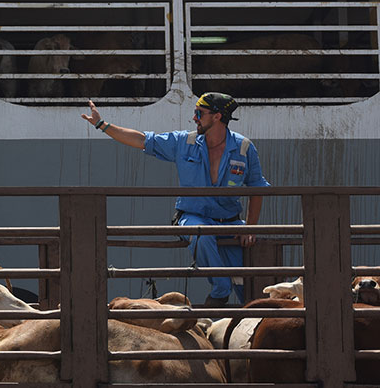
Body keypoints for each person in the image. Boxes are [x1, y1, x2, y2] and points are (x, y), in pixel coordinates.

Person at [82, 92, 270, 306]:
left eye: (199, 113)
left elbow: (257, 187)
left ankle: (254, 315)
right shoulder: (184, 142)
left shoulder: (244, 148)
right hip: (193, 217)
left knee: (246, 280)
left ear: (217, 117)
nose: (194, 118)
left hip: (229, 221)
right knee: (202, 236)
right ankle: (219, 292)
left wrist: (250, 229)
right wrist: (102, 125)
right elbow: (142, 140)